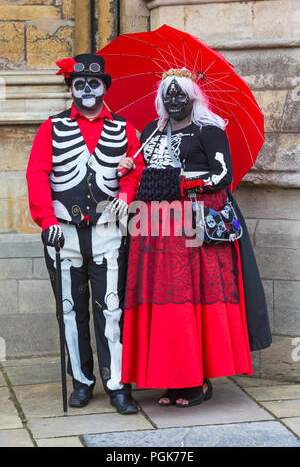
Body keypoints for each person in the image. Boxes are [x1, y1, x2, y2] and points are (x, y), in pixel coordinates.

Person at [117, 68, 271, 407]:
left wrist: (182, 185)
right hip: (154, 227)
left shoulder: (209, 131)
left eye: (180, 95)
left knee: (192, 301)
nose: (174, 101)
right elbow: (144, 171)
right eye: (168, 96)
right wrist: (130, 165)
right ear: (161, 100)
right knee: (164, 303)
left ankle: (198, 380)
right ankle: (171, 378)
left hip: (195, 226)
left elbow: (223, 175)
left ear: (193, 98)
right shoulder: (150, 131)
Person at [26, 53, 145, 414]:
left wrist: (126, 189)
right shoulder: (51, 127)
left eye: (94, 83)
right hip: (63, 234)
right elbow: (37, 175)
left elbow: (136, 170)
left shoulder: (125, 129)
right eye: (80, 84)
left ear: (104, 87)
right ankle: (80, 381)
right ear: (71, 88)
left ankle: (117, 384)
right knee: (70, 310)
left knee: (111, 311)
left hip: (109, 232)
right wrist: (46, 220)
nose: (87, 90)